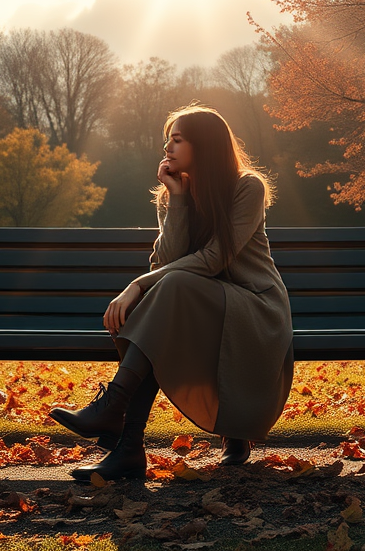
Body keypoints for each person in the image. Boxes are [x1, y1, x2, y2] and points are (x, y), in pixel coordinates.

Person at [49, 104, 294, 481]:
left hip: (254, 308)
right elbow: (163, 263)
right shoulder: (172, 194)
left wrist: (134, 286)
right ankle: (128, 446)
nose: (167, 147)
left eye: (177, 140)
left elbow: (213, 259)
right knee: (160, 300)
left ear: (205, 146)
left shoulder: (247, 186)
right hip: (202, 309)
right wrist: (177, 200)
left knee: (167, 289)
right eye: (168, 140)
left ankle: (116, 411)